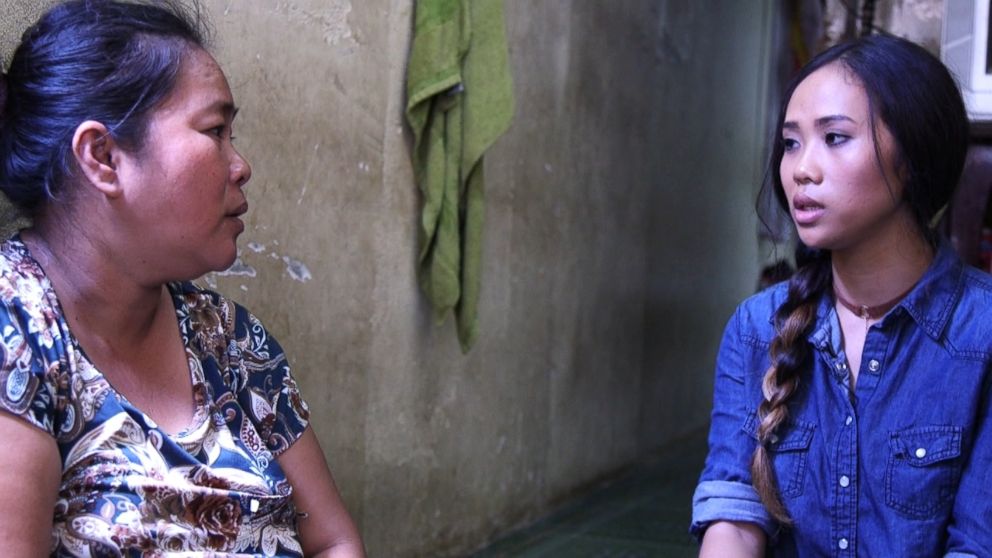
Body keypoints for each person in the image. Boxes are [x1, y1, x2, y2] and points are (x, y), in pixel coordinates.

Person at [0, 1, 365, 556]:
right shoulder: (19, 331)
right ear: (102, 156)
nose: (240, 166)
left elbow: (334, 540)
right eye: (215, 130)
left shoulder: (232, 342)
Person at [690, 33, 992, 556]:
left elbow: (978, 542)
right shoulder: (757, 326)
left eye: (833, 137)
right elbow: (734, 511)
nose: (800, 169)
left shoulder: (981, 332)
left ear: (911, 156)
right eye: (790, 142)